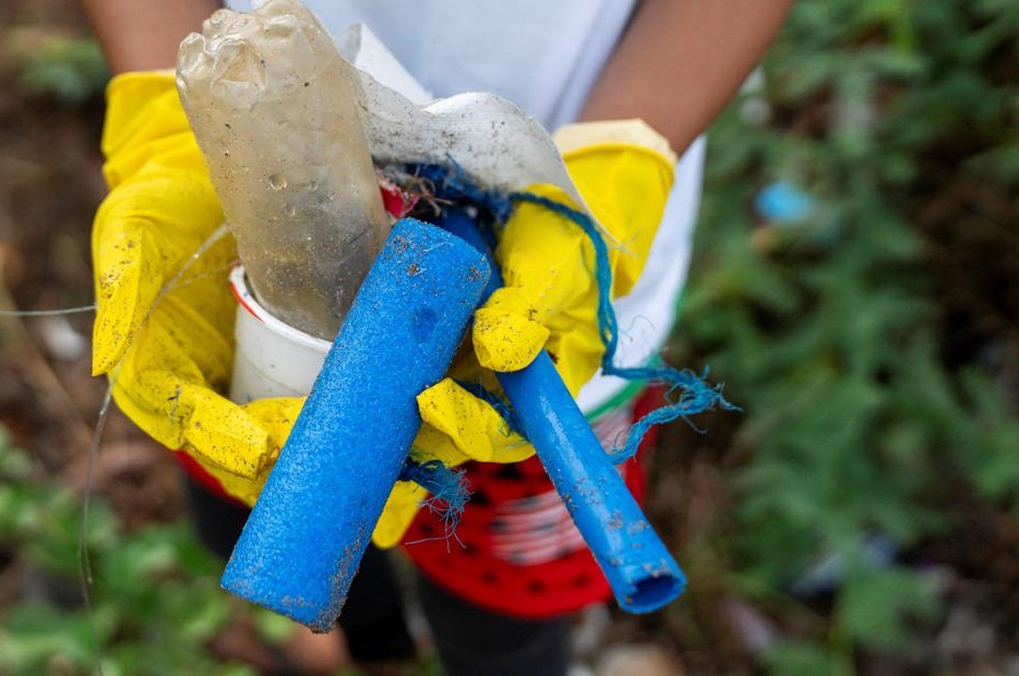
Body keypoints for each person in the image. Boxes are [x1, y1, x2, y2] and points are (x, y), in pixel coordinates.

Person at [81, 1, 792, 673]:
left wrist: (622, 156)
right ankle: (373, 647)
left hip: (551, 283)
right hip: (258, 218)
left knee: (500, 618)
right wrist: (163, 128)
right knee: (272, 486)